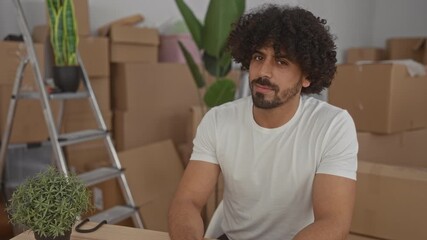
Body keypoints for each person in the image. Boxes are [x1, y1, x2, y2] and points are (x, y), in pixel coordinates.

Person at [168, 3, 358, 240]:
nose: (263, 72)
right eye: (259, 57)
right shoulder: (218, 120)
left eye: (281, 62)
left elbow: (333, 221)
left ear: (307, 75)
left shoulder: (333, 126)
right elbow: (188, 201)